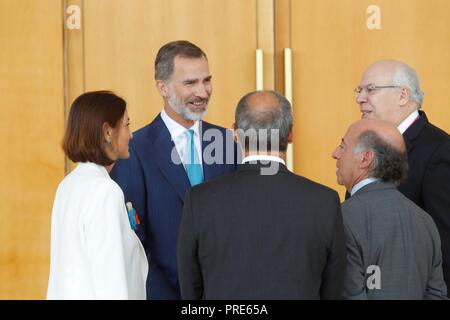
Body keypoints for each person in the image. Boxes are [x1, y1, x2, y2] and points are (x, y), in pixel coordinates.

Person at [177, 90, 346, 299]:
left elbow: (190, 288)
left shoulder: (199, 200)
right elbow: (334, 290)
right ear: (291, 133)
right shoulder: (325, 202)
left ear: (236, 134)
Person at [110, 40, 238, 299]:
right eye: (190, 83)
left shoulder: (230, 142)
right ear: (163, 87)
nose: (202, 92)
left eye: (207, 80)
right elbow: (134, 242)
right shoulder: (135, 149)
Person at [355, 60, 450, 294]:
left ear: (402, 95)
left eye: (370, 89)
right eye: (359, 91)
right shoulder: (363, 143)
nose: (360, 98)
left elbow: (444, 241)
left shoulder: (439, 149)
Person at [47, 91, 148, 299]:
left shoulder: (67, 186)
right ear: (107, 132)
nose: (131, 134)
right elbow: (111, 283)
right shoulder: (105, 192)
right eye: (127, 125)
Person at [332, 118, 447, 299]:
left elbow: (350, 294)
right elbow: (437, 294)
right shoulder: (425, 221)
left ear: (365, 158)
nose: (335, 153)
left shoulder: (342, 218)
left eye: (343, 146)